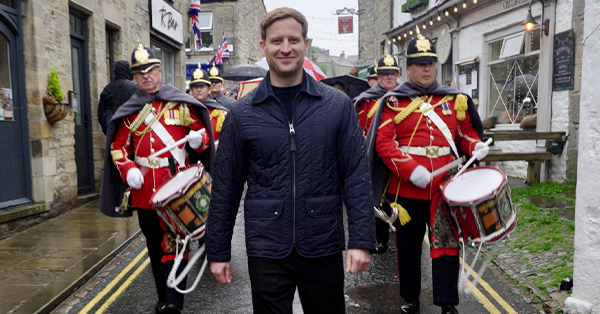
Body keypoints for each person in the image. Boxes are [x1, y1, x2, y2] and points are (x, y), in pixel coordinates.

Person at [205, 7, 375, 314]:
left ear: (305, 44)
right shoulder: (242, 114)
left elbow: (355, 175)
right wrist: (218, 250)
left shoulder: (337, 106)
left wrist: (361, 239)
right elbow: (226, 187)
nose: (285, 48)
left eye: (293, 40)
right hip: (267, 247)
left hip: (322, 243)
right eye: (277, 41)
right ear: (263, 47)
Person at [365, 33, 487, 314]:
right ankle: (410, 297)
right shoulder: (394, 102)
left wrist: (476, 145)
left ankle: (446, 301)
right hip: (407, 189)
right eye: (420, 64)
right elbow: (384, 143)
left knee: (446, 244)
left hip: (445, 186)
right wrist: (410, 169)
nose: (427, 68)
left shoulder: (454, 100)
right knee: (408, 247)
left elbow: (464, 135)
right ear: (408, 69)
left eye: (430, 62)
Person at [99, 41, 215, 314]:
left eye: (151, 70)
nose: (146, 76)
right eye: (140, 73)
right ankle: (164, 297)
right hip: (144, 194)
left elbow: (204, 135)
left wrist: (199, 140)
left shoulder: (179, 102)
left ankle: (175, 303)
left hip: (176, 189)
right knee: (154, 246)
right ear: (135, 77)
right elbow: (117, 148)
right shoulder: (130, 110)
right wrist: (128, 169)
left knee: (175, 244)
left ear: (160, 71)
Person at [352, 53, 401, 254]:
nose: (389, 78)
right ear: (378, 77)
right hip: (375, 155)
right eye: (384, 74)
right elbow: (361, 127)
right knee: (377, 198)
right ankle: (380, 239)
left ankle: (401, 235)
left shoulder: (407, 96)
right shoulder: (367, 101)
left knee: (399, 198)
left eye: (392, 74)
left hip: (400, 154)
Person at [97, 60, 137, 134]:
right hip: (129, 128)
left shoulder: (108, 88)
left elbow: (100, 112)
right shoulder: (134, 87)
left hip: (112, 129)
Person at [189, 68, 228, 143]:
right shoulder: (186, 109)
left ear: (209, 89)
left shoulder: (219, 112)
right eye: (196, 87)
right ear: (192, 89)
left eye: (202, 86)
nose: (199, 90)